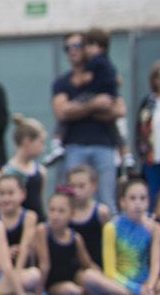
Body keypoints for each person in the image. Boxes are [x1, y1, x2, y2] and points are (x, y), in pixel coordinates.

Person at [81, 178, 160, 295]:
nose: (138, 203)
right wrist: (137, 290)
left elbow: (155, 264)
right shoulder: (111, 227)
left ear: (148, 202)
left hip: (147, 283)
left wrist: (150, 286)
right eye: (133, 198)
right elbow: (110, 272)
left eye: (142, 198)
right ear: (123, 202)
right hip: (120, 283)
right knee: (88, 276)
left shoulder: (155, 227)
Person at [51, 31, 123, 213]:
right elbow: (62, 111)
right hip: (74, 145)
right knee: (71, 198)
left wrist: (79, 110)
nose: (73, 51)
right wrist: (94, 106)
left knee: (107, 199)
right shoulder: (63, 82)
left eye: (77, 46)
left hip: (104, 144)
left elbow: (119, 109)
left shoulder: (103, 72)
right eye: (68, 48)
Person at [35, 189, 93, 295]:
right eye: (52, 210)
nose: (55, 215)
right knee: (72, 291)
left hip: (73, 278)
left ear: (72, 214)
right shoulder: (42, 230)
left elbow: (88, 264)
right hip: (53, 284)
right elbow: (44, 265)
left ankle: (127, 294)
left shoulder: (75, 238)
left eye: (61, 211)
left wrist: (101, 276)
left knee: (92, 277)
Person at [133, 62, 160, 199]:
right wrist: (142, 155)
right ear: (155, 80)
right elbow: (140, 129)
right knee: (154, 196)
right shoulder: (149, 102)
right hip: (152, 158)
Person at [66, 163, 112, 267]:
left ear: (93, 186)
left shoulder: (102, 212)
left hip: (98, 266)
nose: (76, 191)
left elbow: (109, 245)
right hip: (73, 267)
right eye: (72, 186)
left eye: (81, 186)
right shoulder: (66, 212)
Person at [2, 116, 48, 215]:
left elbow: (41, 203)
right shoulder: (6, 172)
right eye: (41, 142)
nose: (43, 148)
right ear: (27, 142)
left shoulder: (40, 171)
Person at [0, 172, 38, 268]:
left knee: (34, 275)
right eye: (1, 193)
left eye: (11, 193)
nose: (6, 198)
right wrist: (6, 253)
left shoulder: (29, 217)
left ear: (23, 194)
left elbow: (24, 248)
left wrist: (16, 274)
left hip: (21, 269)